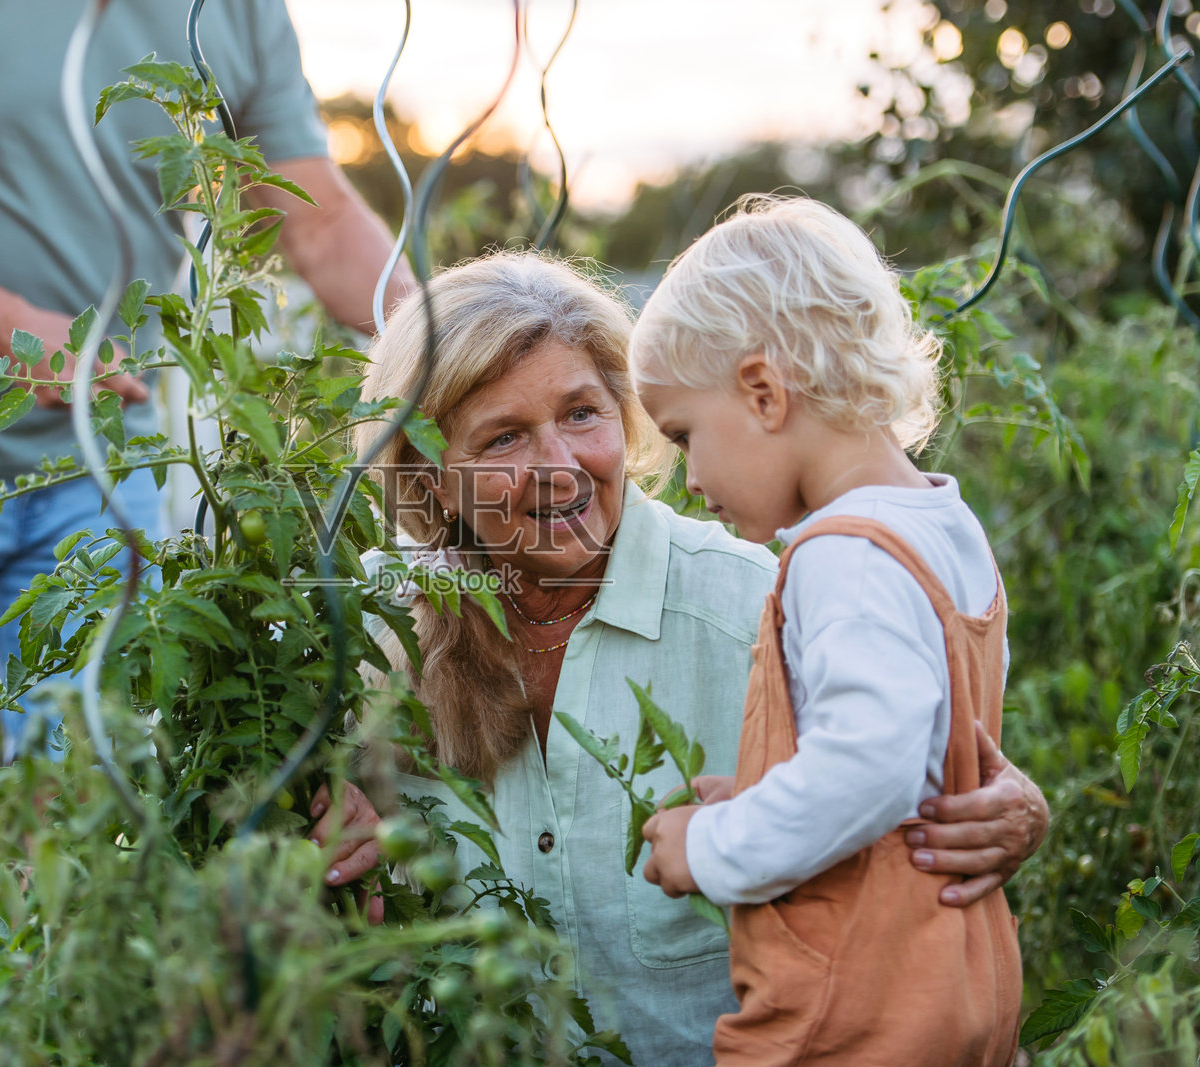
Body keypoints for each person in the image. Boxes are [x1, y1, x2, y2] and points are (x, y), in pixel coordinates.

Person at [0, 2, 411, 1064]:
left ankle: (52, 1039)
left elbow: (318, 216)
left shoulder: (236, 11)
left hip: (102, 459)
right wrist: (13, 328)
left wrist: (446, 339)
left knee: (94, 802)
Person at [313, 250, 1045, 1065]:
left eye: (583, 413)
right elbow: (204, 757)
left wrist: (1005, 803)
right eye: (505, 437)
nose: (562, 466)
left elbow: (896, 762)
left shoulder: (756, 607)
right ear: (433, 479)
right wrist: (299, 808)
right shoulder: (360, 626)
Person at [634, 196, 1022, 1064]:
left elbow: (870, 765)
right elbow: (917, 751)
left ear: (764, 392)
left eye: (685, 435)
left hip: (852, 1013)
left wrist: (712, 843)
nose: (689, 476)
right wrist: (772, 791)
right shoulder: (942, 525)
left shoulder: (840, 555)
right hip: (955, 981)